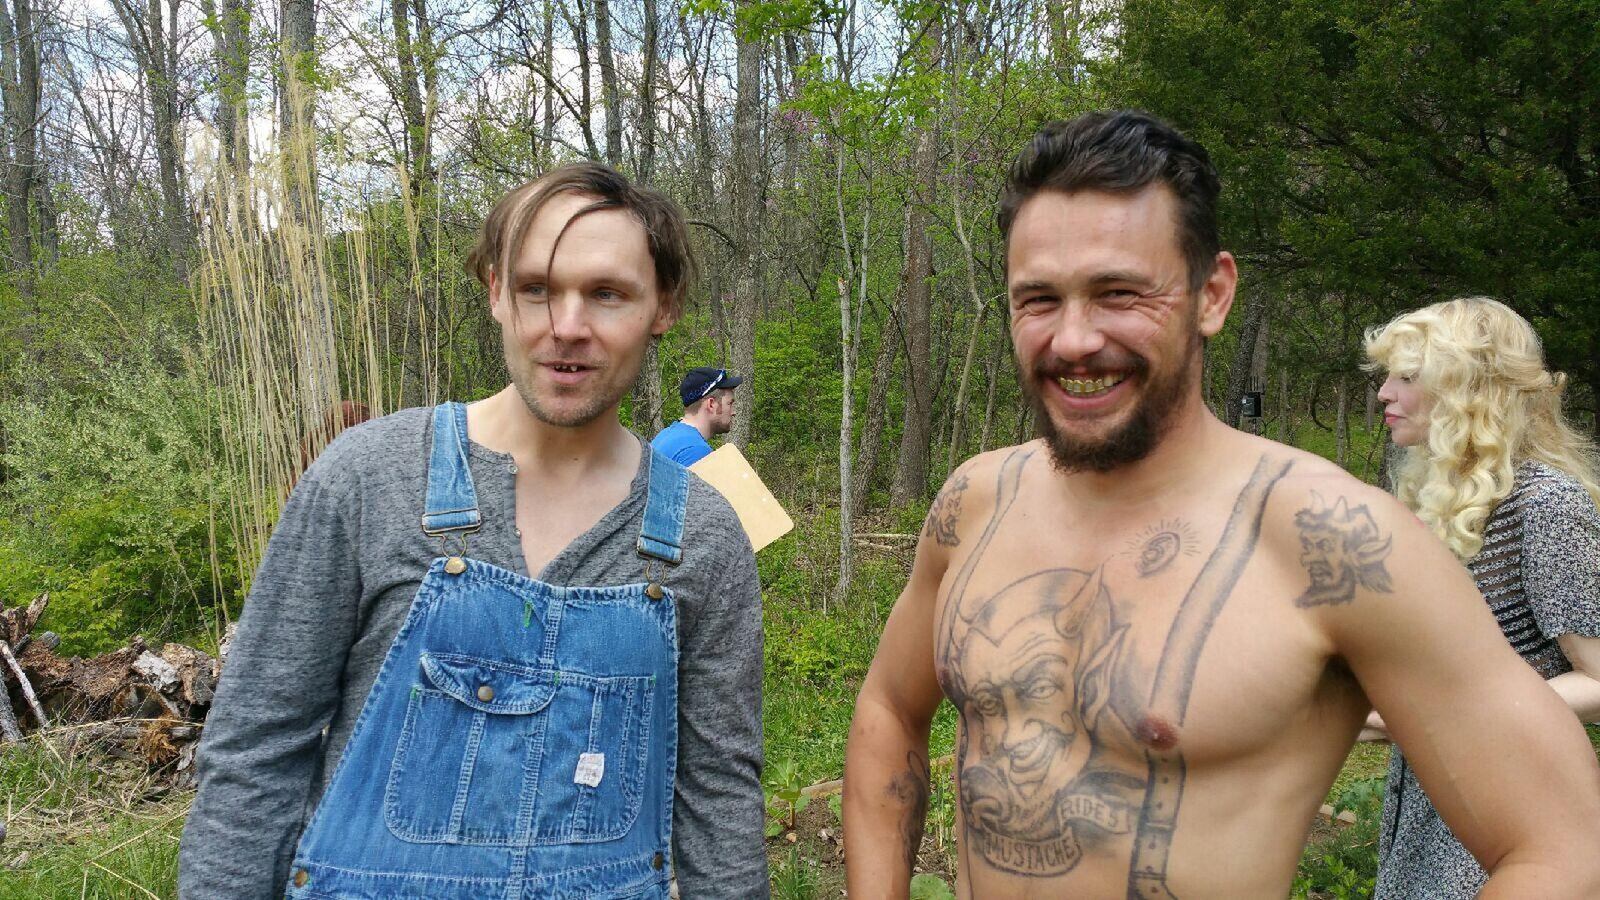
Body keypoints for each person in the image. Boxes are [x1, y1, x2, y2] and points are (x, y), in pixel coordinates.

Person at [840, 111, 1600, 899]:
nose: (1071, 340)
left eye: (1118, 293)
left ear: (1213, 294)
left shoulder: (1332, 540)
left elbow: (1566, 844)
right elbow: (888, 711)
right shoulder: (975, 501)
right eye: (1038, 300)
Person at [179, 162, 769, 900]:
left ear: (664, 307)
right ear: (494, 290)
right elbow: (254, 754)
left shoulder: (704, 534)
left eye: (607, 294)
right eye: (536, 289)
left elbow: (718, 795)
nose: (568, 326)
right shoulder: (368, 479)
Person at [1364, 297, 1600, 898]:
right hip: (1429, 795)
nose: (1385, 393)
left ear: (1468, 388)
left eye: (1408, 377)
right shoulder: (1441, 499)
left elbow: (1599, 679)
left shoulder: (1546, 504)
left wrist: (1445, 719)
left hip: (1511, 807)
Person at [652, 367, 743, 466]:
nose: (733, 412)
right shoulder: (696, 452)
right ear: (711, 404)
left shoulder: (666, 435)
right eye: (729, 403)